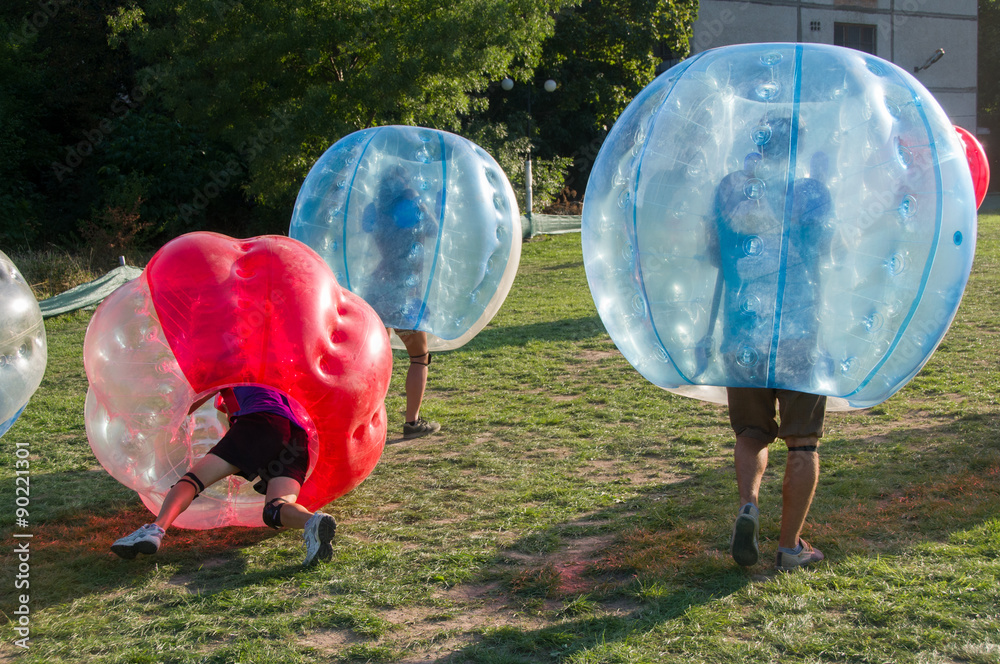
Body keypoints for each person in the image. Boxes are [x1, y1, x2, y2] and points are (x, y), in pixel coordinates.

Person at [708, 117, 833, 571]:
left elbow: (712, 253)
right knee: (802, 444)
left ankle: (748, 505)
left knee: (751, 433)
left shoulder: (729, 190)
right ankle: (789, 546)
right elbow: (827, 253)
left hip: (742, 332)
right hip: (798, 332)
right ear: (796, 151)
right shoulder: (812, 193)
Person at [110, 385, 338, 566]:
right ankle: (312, 522)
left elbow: (184, 407)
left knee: (192, 481)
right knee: (274, 509)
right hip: (297, 435)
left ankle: (155, 529)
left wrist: (149, 420)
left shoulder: (230, 371)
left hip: (260, 423)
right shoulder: (273, 377)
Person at [361, 165, 441, 439]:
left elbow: (365, 227)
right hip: (402, 295)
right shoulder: (410, 207)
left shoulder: (373, 209)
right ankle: (412, 422)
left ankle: (364, 422)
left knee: (375, 362)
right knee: (419, 357)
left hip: (374, 290)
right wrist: (416, 197)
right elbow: (433, 229)